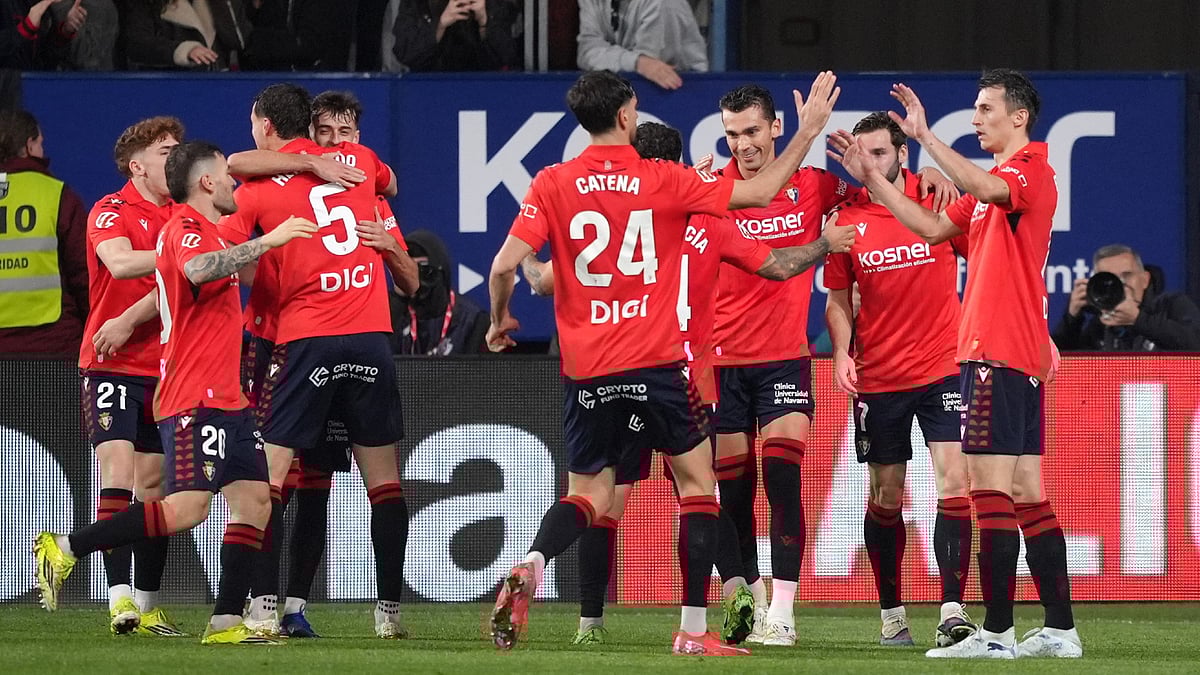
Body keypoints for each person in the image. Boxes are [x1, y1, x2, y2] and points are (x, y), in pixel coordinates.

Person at [486, 68, 841, 655]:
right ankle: (698, 629)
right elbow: (759, 212)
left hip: (588, 374)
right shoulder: (668, 186)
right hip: (665, 366)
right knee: (700, 491)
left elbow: (509, 268)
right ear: (626, 114)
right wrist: (809, 132)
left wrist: (500, 321)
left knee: (592, 497)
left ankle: (534, 563)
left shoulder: (552, 181)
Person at [829, 68, 1082, 659]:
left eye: (986, 109)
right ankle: (1061, 628)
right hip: (1011, 348)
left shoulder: (1027, 171)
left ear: (1018, 116)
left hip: (994, 348)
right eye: (973, 109)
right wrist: (873, 177)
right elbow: (930, 226)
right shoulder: (995, 183)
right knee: (1025, 491)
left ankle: (994, 634)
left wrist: (926, 140)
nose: (975, 119)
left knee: (989, 491)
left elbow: (992, 192)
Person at [34, 140, 316, 645]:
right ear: (207, 182)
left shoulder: (208, 230)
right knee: (189, 509)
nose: (234, 184)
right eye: (227, 177)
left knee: (255, 502)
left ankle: (227, 623)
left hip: (228, 398)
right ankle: (67, 548)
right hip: (193, 396)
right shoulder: (184, 228)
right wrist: (269, 240)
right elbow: (197, 270)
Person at [710, 85, 957, 648]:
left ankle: (784, 612)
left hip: (784, 360)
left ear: (772, 129)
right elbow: (774, 218)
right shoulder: (715, 186)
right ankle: (744, 584)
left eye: (751, 131)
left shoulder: (821, 189)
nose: (743, 144)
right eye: (732, 134)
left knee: (782, 477)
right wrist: (810, 134)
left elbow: (878, 192)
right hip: (720, 362)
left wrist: (932, 180)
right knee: (733, 491)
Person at [220, 83, 410, 640]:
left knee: (274, 477)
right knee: (347, 481)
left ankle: (264, 606)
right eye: (328, 130)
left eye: (344, 131)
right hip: (366, 337)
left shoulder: (253, 184)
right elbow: (390, 180)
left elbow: (223, 250)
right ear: (314, 127)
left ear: (262, 122)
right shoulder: (362, 168)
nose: (336, 140)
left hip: (295, 342)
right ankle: (373, 612)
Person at [823, 111, 975, 648]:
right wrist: (841, 351)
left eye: (880, 153)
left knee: (954, 484)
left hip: (944, 367)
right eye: (860, 154)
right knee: (886, 496)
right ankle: (892, 612)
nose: (869, 162)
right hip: (879, 376)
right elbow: (838, 299)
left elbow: (979, 262)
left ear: (902, 155)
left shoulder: (934, 198)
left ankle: (953, 611)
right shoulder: (844, 220)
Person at [77, 116, 185, 636]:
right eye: (166, 152)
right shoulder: (110, 208)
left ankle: (148, 604)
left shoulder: (185, 213)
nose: (176, 159)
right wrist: (180, 257)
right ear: (136, 164)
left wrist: (132, 316)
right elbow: (118, 264)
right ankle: (119, 600)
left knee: (157, 486)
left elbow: (184, 286)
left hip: (166, 367)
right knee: (117, 474)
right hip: (111, 362)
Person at [0, 109, 89, 357]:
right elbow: (84, 274)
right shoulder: (56, 194)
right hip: (50, 348)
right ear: (28, 145)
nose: (43, 151)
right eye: (40, 144)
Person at [1052, 243, 1200, 351]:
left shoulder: (1170, 306)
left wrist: (1138, 319)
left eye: (1127, 275)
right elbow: (1056, 368)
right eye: (1110, 279)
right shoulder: (1100, 326)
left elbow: (1194, 344)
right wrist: (1071, 319)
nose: (1121, 284)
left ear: (1145, 279)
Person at [390, 229, 488, 355]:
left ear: (437, 270)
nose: (412, 275)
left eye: (421, 268)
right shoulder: (394, 314)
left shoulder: (472, 320)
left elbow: (480, 372)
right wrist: (398, 299)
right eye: (405, 267)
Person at [576, 0, 706, 91]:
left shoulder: (665, 4)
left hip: (682, 93)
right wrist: (637, 62)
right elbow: (586, 52)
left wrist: (640, 64)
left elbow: (655, 72)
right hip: (623, 91)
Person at [120, 0, 253, 70]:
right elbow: (137, 44)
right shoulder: (145, 4)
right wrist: (183, 50)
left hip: (218, 85)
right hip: (171, 88)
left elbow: (240, 41)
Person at [390, 0, 520, 72]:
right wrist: (440, 25)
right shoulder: (418, 4)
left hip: (482, 90)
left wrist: (484, 21)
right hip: (430, 89)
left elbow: (507, 56)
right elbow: (405, 53)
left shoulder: (494, 4)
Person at [0, 0, 86, 69]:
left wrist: (64, 32)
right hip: (9, 87)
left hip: (34, 86)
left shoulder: (47, 7)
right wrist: (25, 29)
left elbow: (45, 61)